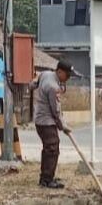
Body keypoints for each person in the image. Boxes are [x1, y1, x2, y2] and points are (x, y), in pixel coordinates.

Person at [33, 60, 75, 189]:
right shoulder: (53, 87)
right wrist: (63, 126)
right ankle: (46, 180)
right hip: (46, 122)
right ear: (60, 71)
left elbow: (35, 82)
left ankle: (46, 176)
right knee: (52, 149)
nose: (68, 78)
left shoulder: (46, 74)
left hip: (40, 119)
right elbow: (56, 111)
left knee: (49, 149)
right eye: (67, 76)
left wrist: (32, 86)